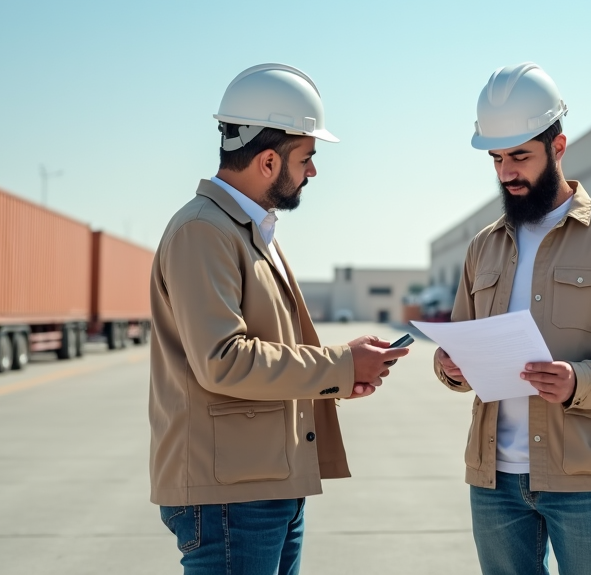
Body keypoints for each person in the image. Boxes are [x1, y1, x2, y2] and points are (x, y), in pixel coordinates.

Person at [149, 64, 409, 575]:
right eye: (307, 157)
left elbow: (266, 349)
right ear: (268, 160)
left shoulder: (245, 230)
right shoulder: (203, 232)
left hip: (263, 484)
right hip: (230, 497)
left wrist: (343, 371)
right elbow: (222, 361)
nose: (313, 171)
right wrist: (339, 365)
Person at [433, 63, 591, 575]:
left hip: (581, 476)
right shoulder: (483, 247)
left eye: (520, 156)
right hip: (494, 480)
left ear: (558, 148)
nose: (505, 172)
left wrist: (578, 381)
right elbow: (457, 343)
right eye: (496, 158)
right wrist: (449, 367)